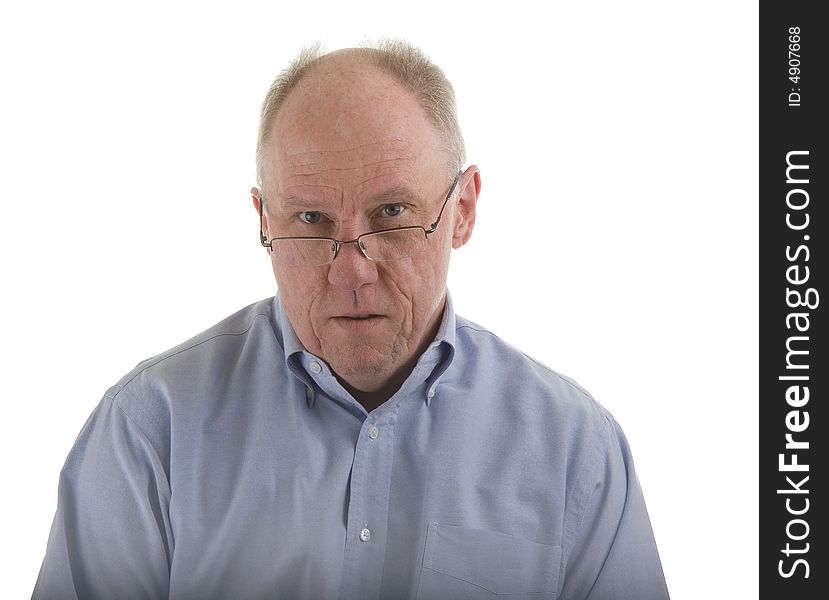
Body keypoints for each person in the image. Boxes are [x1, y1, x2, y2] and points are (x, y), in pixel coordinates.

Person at [33, 40, 669, 600]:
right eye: (310, 221)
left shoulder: (575, 451)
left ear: (464, 211)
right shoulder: (149, 431)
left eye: (392, 213)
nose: (352, 271)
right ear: (264, 220)